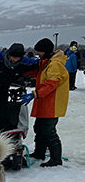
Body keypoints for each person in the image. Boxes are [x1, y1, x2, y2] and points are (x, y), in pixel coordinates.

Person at [21, 38, 69, 167]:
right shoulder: (46, 62)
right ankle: (39, 152)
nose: (38, 54)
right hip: (44, 102)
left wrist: (34, 94)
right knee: (39, 129)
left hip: (52, 104)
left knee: (49, 131)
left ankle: (56, 159)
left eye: (40, 52)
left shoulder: (55, 65)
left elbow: (50, 84)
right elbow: (38, 74)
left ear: (47, 51)